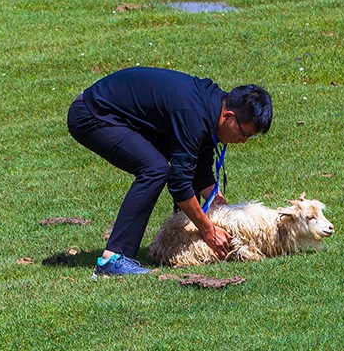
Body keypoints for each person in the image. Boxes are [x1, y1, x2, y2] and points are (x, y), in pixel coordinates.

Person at [67, 67, 273, 276]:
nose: (243, 141)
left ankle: (175, 246)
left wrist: (225, 211)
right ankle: (112, 259)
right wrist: (208, 230)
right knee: (154, 169)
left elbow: (200, 171)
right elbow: (180, 183)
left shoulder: (211, 106)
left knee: (174, 167)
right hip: (92, 114)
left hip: (118, 115)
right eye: (245, 134)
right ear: (228, 117)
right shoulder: (195, 115)